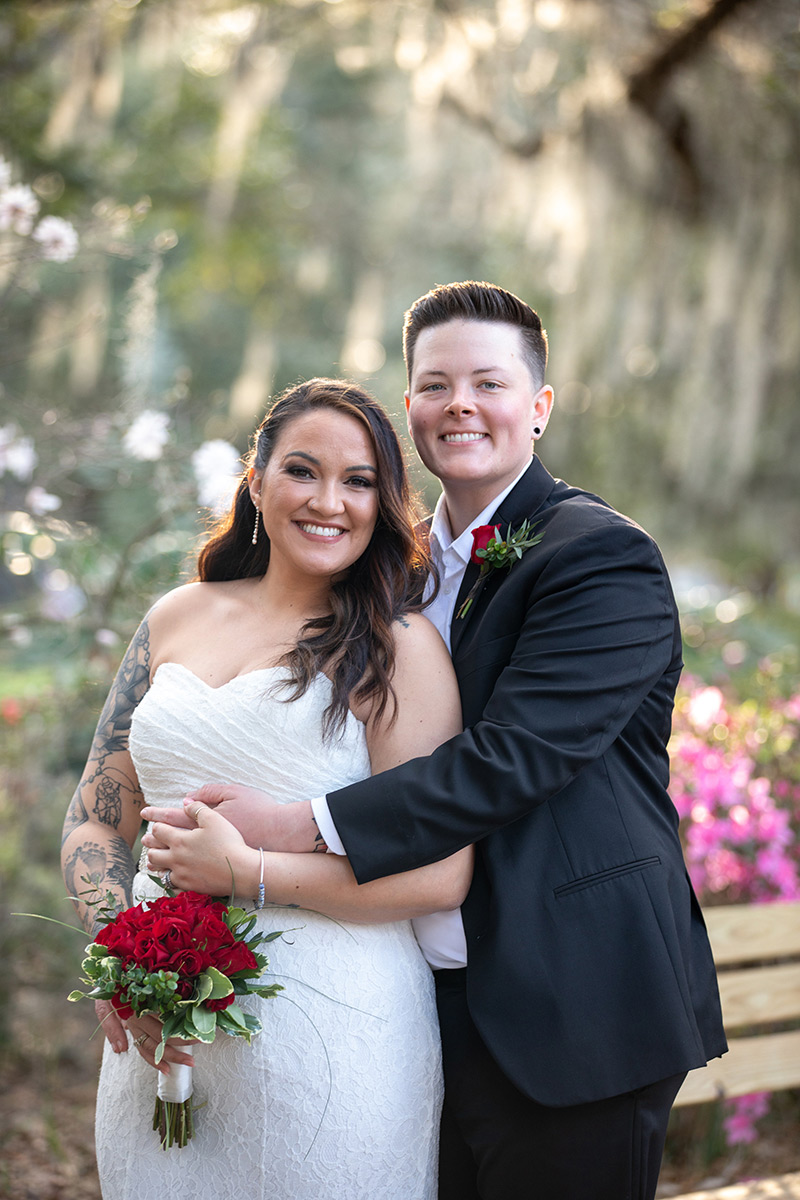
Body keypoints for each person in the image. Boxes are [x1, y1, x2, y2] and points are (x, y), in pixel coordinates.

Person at [150, 281, 728, 1200]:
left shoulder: (597, 556)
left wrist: (292, 823)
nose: (461, 403)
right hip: (409, 1007)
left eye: (488, 383)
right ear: (411, 409)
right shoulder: (397, 568)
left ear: (537, 408)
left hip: (571, 1001)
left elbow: (514, 759)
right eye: (435, 384)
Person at [61, 377, 471, 1200]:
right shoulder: (176, 616)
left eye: (358, 481)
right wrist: (124, 961)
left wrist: (243, 874)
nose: (330, 501)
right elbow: (94, 821)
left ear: (384, 501)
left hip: (335, 1034)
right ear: (256, 481)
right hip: (160, 1035)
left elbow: (439, 874)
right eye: (302, 471)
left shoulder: (399, 649)